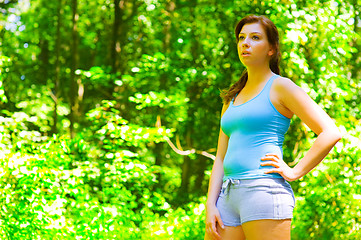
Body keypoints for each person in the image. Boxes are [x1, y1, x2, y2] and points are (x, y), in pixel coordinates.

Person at [204, 15, 342, 240]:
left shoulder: (281, 87)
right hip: (227, 197)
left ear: (271, 49)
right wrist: (211, 204)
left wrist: (294, 171)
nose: (245, 43)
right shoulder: (231, 97)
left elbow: (331, 132)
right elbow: (220, 157)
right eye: (241, 38)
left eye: (255, 37)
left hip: (263, 191)